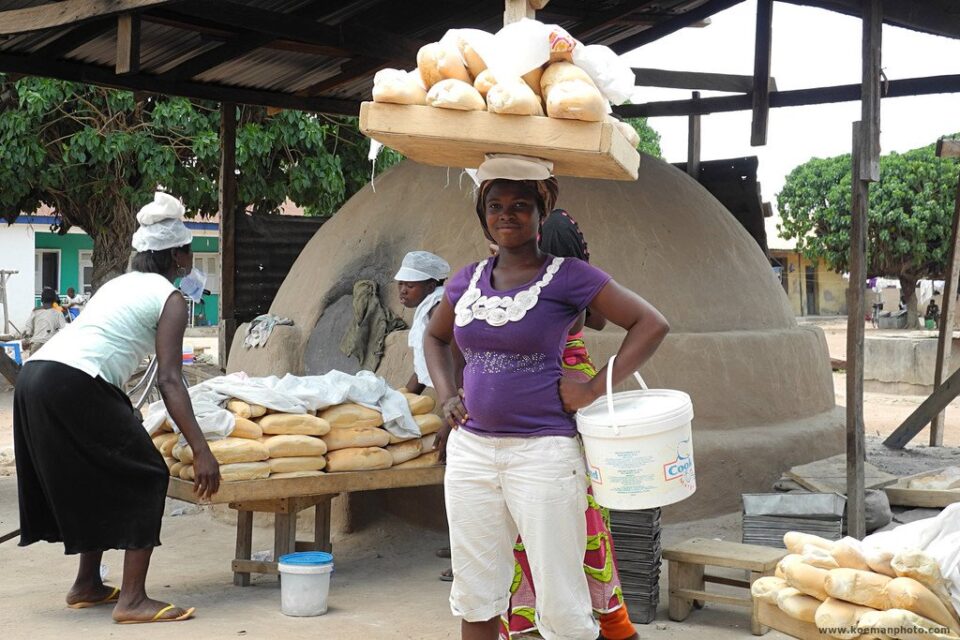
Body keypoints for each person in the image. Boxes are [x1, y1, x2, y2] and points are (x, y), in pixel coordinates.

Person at [424, 155, 670, 640]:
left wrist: (591, 390)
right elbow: (436, 338)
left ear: (541, 213)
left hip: (542, 454)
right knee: (477, 593)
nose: (506, 215)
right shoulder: (466, 280)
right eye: (495, 206)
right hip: (472, 453)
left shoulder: (568, 275)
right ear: (483, 217)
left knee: (560, 598)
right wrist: (447, 394)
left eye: (520, 205)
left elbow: (650, 324)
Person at [13, 191, 220, 624]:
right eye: (188, 252)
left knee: (96, 475)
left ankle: (88, 583)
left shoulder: (119, 284)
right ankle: (133, 600)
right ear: (180, 256)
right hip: (71, 381)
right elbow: (169, 379)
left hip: (37, 376)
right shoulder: (171, 299)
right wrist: (200, 448)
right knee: (147, 473)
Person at [499, 208, 637, 640]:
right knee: (582, 504)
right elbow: (593, 317)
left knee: (542, 506)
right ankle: (607, 620)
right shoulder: (563, 230)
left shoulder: (544, 239)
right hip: (573, 375)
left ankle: (536, 618)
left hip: (553, 382)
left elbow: (578, 317)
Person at [395, 251, 451, 395]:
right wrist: (406, 396)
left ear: (431, 287)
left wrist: (451, 397)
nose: (403, 291)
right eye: (400, 284)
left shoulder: (437, 308)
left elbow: (450, 357)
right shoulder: (430, 305)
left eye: (410, 286)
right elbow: (427, 360)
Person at [23, 288, 66, 355]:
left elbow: (28, 328)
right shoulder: (58, 312)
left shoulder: (35, 311)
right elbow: (63, 329)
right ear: (54, 300)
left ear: (41, 300)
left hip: (36, 344)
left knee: (34, 364)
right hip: (51, 345)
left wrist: (26, 340)